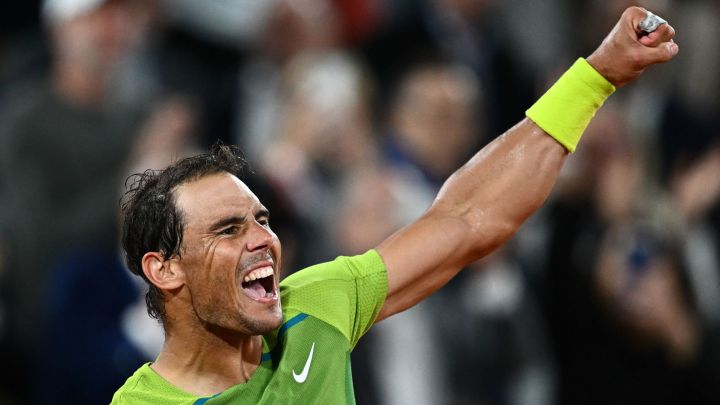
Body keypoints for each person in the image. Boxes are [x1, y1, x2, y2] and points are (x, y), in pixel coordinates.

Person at [111, 7, 678, 403]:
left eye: (261, 220)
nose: (262, 239)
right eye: (228, 229)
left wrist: (595, 77)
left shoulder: (316, 307)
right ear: (166, 269)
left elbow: (468, 218)